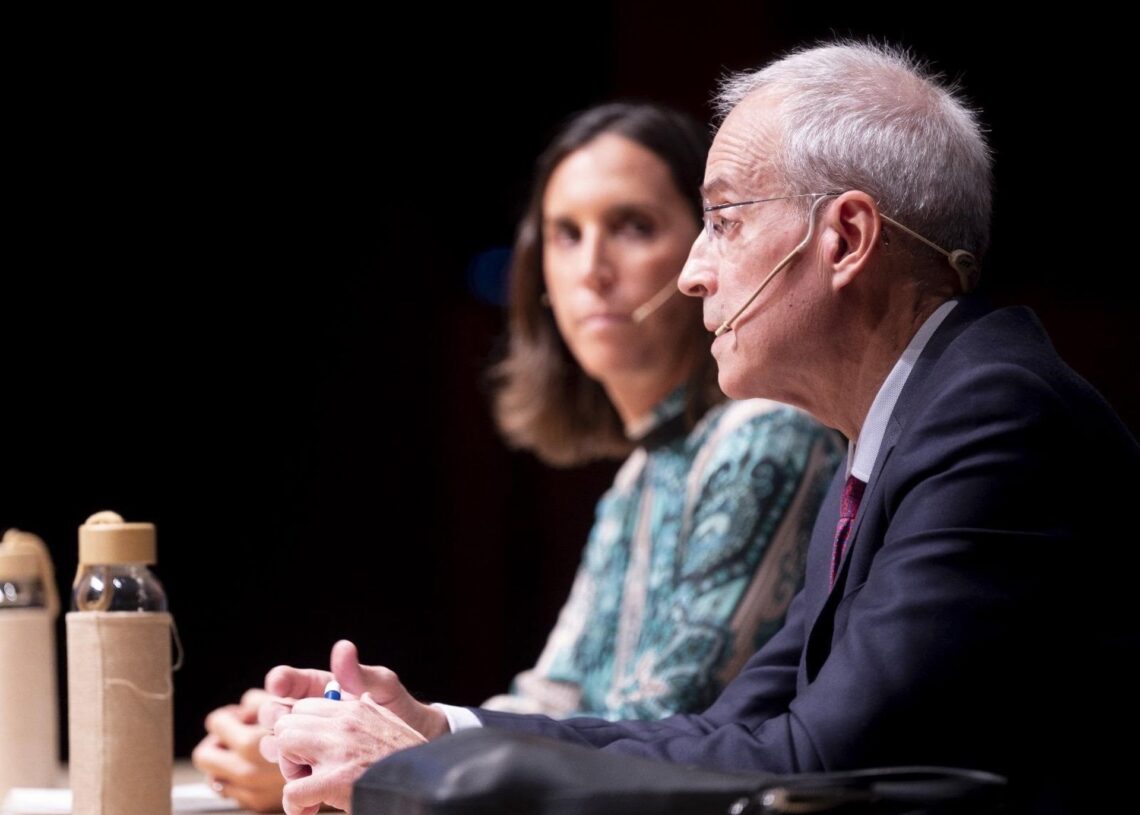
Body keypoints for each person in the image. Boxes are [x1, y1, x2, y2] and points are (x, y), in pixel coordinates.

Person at [258, 42, 1140, 814]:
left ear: (845, 238)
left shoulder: (993, 418)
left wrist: (428, 768)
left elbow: (818, 767)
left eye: (720, 221)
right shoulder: (903, 425)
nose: (690, 275)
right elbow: (735, 727)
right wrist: (439, 724)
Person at [193, 102, 840, 811]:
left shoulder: (764, 435)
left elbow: (657, 719)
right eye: (566, 234)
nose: (591, 268)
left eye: (632, 226)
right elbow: (554, 695)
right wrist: (324, 730)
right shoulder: (640, 472)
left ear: (704, 251)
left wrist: (382, 759)